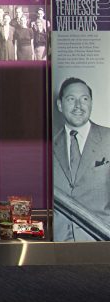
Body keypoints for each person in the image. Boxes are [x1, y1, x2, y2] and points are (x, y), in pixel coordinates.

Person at [53, 78, 110, 241]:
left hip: (101, 244)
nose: (78, 105)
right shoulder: (46, 145)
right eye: (71, 99)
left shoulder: (108, 139)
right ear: (60, 105)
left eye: (84, 99)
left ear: (91, 103)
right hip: (59, 246)